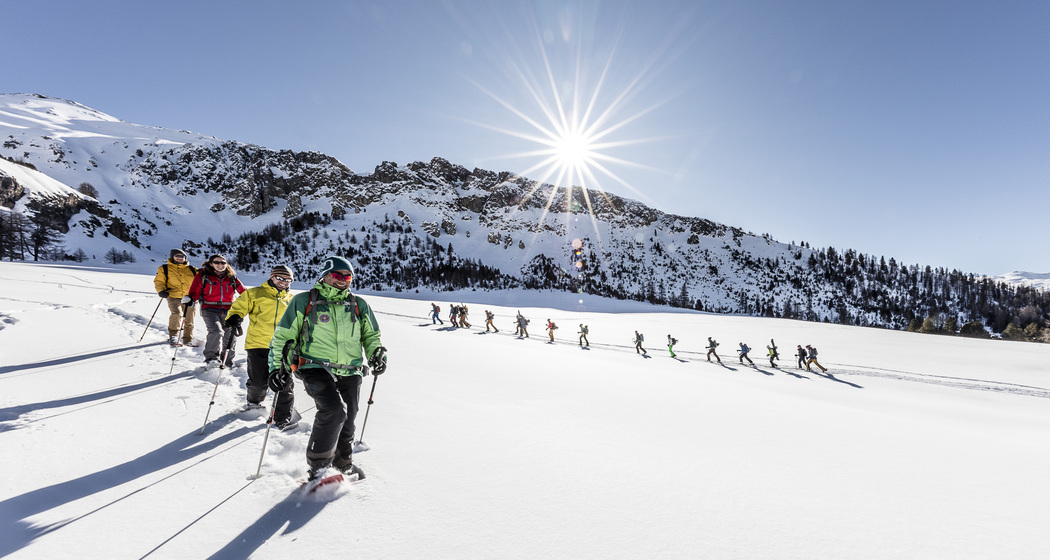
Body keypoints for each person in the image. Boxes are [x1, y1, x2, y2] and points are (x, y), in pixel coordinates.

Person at [267, 255, 387, 481]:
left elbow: (371, 335)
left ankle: (342, 465)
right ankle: (318, 467)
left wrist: (376, 354)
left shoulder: (358, 304)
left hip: (351, 370)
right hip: (314, 367)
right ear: (324, 275)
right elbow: (283, 337)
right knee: (334, 411)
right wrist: (276, 368)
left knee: (349, 419)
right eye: (337, 275)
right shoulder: (305, 301)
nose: (342, 280)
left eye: (347, 276)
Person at [225, 265, 296, 428]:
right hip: (258, 344)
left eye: (287, 280)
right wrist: (234, 317)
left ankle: (283, 418)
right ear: (272, 277)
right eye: (280, 278)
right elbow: (239, 307)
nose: (283, 282)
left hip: (282, 347)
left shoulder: (291, 300)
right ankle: (254, 403)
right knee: (258, 382)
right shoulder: (254, 293)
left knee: (285, 382)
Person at [184, 254, 245, 368]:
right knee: (217, 332)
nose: (220, 265)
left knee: (230, 334)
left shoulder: (231, 277)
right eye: (217, 263)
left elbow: (245, 292)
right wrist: (190, 299)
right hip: (209, 308)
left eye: (223, 263)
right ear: (211, 264)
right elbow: (194, 292)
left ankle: (227, 360)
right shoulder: (203, 276)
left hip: (229, 310)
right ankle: (211, 358)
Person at [153, 248, 198, 347]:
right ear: (172, 257)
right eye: (177, 256)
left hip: (189, 298)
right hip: (173, 296)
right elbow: (159, 281)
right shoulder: (164, 268)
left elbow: (201, 281)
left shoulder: (192, 269)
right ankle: (173, 336)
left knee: (189, 319)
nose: (179, 258)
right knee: (177, 314)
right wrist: (161, 291)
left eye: (182, 256)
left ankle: (188, 339)